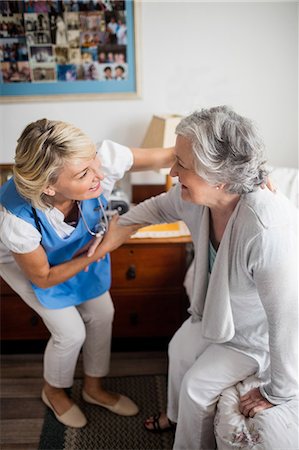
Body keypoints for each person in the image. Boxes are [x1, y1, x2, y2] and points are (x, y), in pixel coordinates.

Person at [118, 106, 298, 449]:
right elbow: (154, 207)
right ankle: (175, 418)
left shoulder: (266, 227)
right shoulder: (199, 199)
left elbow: (287, 317)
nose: (172, 171)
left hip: (253, 336)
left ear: (221, 177)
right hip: (217, 314)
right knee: (178, 348)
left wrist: (280, 390)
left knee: (196, 386)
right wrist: (117, 229)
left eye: (181, 164)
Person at [0, 119, 174, 428]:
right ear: (49, 186)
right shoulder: (16, 223)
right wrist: (105, 247)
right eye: (84, 174)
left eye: (94, 161)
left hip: (72, 250)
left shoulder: (95, 163)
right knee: (70, 332)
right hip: (25, 264)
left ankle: (94, 389)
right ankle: (53, 390)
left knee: (103, 313)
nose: (101, 174)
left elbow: (170, 155)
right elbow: (43, 277)